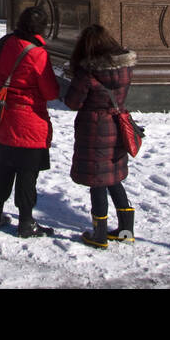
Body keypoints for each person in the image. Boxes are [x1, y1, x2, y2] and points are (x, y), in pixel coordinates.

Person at [0, 6, 60, 237]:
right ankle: (26, 222)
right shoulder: (38, 53)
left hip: (4, 116)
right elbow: (49, 92)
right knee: (27, 173)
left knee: (3, 167)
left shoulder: (6, 43)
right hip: (29, 121)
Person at [63, 24, 137, 249]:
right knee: (114, 176)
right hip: (118, 126)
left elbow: (72, 102)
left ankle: (100, 234)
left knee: (97, 180)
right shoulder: (125, 68)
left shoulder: (88, 72)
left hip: (94, 129)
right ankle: (126, 230)